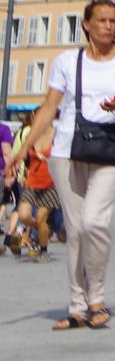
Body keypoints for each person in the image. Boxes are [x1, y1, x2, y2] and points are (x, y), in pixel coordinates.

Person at [4, 0, 115, 330]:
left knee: (93, 223)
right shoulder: (66, 62)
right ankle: (77, 306)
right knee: (74, 232)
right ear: (86, 24)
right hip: (66, 149)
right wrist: (21, 152)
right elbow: (48, 109)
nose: (108, 26)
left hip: (110, 150)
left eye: (113, 20)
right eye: (101, 20)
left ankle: (96, 298)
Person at [7, 111, 57, 261]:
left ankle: (41, 249)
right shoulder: (29, 135)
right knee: (23, 215)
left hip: (50, 184)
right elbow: (19, 155)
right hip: (30, 182)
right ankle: (38, 234)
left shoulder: (56, 134)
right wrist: (16, 171)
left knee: (40, 218)